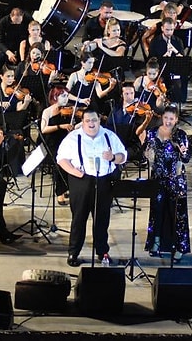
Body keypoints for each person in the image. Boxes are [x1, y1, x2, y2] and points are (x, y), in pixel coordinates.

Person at [57, 108, 126, 266]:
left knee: (102, 220)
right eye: (87, 121)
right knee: (79, 219)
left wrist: (113, 157)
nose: (91, 124)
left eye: (94, 120)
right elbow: (61, 158)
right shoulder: (73, 137)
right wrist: (74, 171)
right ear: (83, 122)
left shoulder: (109, 135)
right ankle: (73, 253)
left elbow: (123, 156)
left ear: (99, 120)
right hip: (81, 181)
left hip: (104, 181)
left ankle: (102, 252)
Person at [143, 105, 190, 261]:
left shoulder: (180, 135)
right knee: (157, 212)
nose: (168, 121)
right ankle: (156, 243)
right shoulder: (152, 132)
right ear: (162, 118)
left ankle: (179, 247)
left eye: (171, 119)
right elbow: (145, 153)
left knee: (178, 214)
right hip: (157, 178)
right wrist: (147, 155)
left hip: (176, 180)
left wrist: (183, 152)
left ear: (176, 120)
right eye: (166, 118)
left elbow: (186, 159)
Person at [41, 86, 77, 205]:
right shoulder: (47, 111)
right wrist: (60, 126)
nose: (66, 99)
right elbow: (44, 129)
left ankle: (68, 187)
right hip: (51, 142)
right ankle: (60, 193)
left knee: (73, 160)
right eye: (63, 96)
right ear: (55, 97)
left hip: (65, 142)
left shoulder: (68, 110)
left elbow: (71, 128)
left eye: (67, 96)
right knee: (60, 163)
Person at [106, 82, 153, 161]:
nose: (130, 96)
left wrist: (147, 120)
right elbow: (109, 126)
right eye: (126, 94)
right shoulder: (116, 109)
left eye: (132, 93)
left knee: (122, 154)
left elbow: (138, 132)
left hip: (131, 143)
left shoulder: (139, 110)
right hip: (117, 141)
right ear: (122, 95)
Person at [0, 8, 32, 74]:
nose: (17, 24)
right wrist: (8, 52)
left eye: (19, 22)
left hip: (23, 47)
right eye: (15, 22)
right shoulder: (3, 22)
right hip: (8, 48)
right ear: (11, 16)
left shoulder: (28, 19)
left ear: (22, 16)